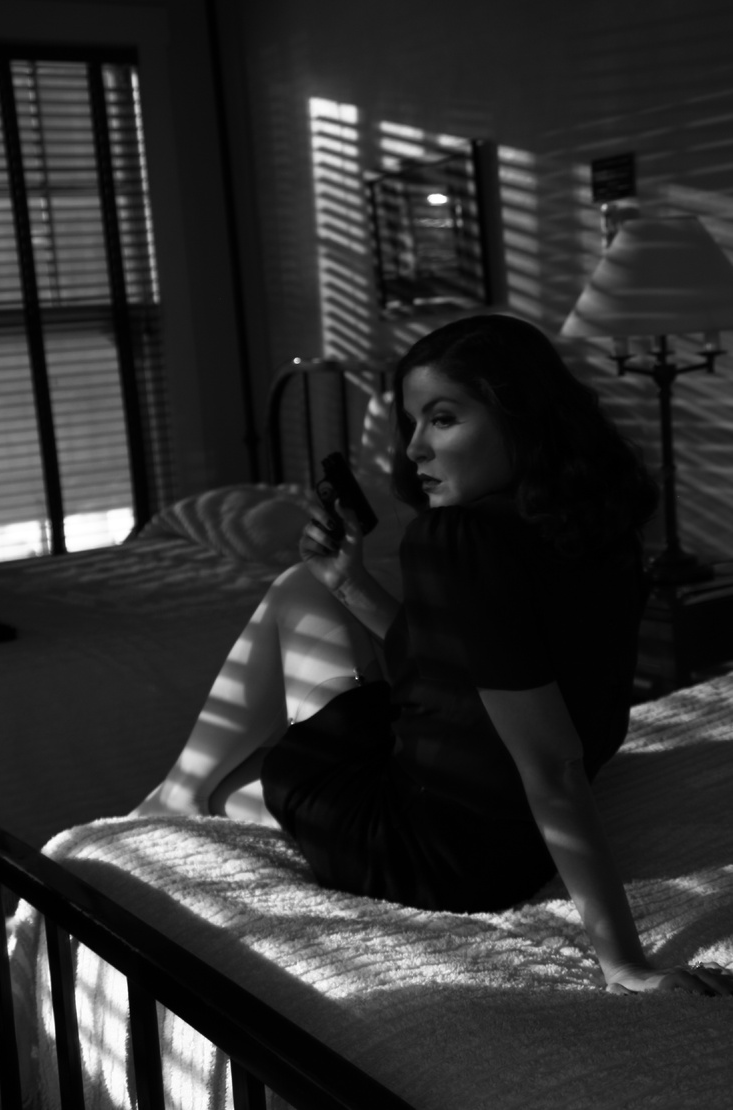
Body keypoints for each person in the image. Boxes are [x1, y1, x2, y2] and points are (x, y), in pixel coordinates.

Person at [135, 313, 732, 997]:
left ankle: (167, 806)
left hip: (427, 851)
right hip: (487, 827)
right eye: (411, 422)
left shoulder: (460, 538)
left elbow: (554, 764)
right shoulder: (600, 526)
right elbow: (470, 670)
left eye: (442, 420)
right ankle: (173, 798)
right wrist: (350, 584)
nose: (415, 448)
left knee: (232, 776)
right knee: (306, 585)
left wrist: (624, 963)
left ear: (522, 418)